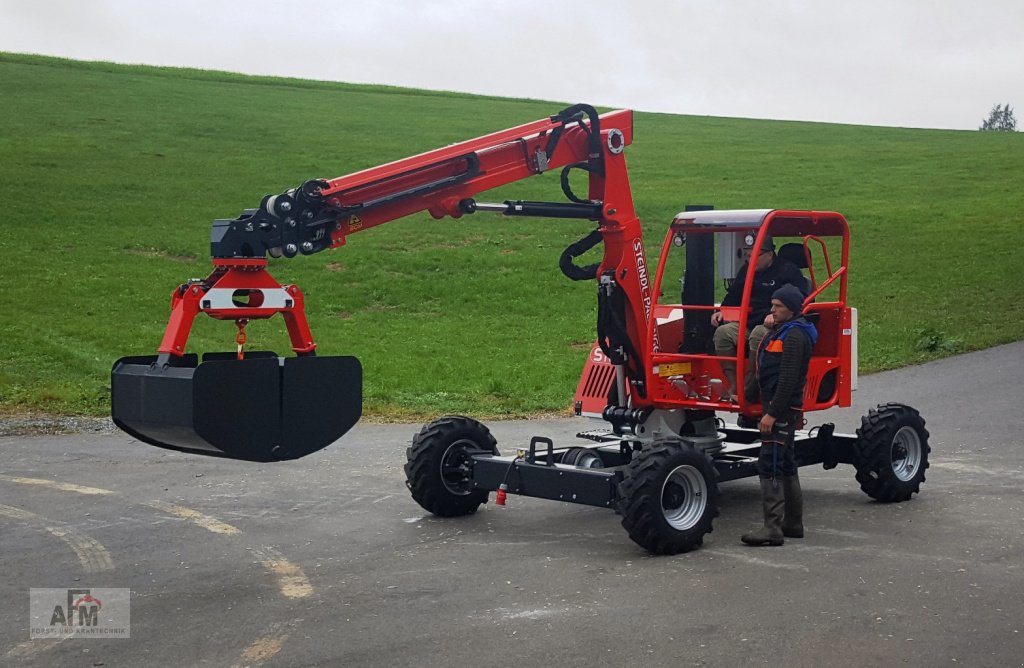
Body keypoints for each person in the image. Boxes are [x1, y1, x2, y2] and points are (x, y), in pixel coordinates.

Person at [741, 284, 818, 546]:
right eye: (772, 305)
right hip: (781, 407)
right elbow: (766, 371)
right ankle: (793, 524)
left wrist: (771, 414)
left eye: (778, 306)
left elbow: (787, 380)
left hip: (781, 409)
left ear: (792, 309)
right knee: (785, 463)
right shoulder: (783, 331)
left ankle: (772, 528)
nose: (772, 310)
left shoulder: (795, 336)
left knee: (770, 464)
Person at [710, 234, 805, 401]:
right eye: (747, 256)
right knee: (723, 333)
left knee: (758, 335)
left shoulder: (788, 271)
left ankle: (749, 391)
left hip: (777, 326)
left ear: (769, 254)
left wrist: (775, 317)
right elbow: (733, 295)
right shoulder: (746, 271)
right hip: (748, 322)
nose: (750, 260)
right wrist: (722, 311)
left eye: (755, 256)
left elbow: (797, 302)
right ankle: (733, 385)